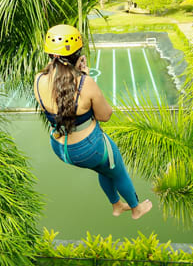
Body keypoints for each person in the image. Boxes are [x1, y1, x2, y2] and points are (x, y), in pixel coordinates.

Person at [34, 24, 152, 219]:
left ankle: (116, 206)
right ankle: (136, 208)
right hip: (88, 149)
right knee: (117, 170)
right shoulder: (84, 83)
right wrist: (84, 76)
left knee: (104, 169)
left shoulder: (38, 79)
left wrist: (80, 76)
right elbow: (105, 115)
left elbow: (62, 100)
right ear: (77, 55)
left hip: (60, 148)